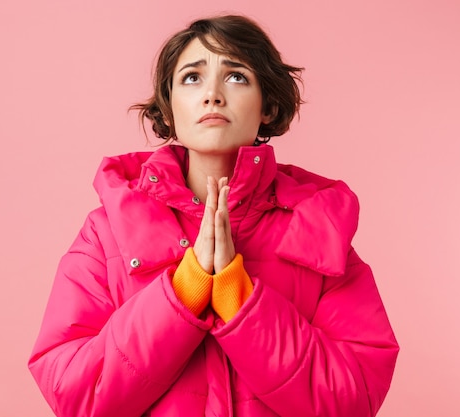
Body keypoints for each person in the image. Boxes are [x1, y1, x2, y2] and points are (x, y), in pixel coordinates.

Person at [28, 14, 399, 417]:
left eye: (236, 76)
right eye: (191, 78)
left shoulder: (317, 227)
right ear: (168, 111)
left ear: (269, 107)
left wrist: (237, 297)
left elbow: (354, 398)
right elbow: (73, 393)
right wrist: (185, 291)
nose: (212, 95)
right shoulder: (107, 232)